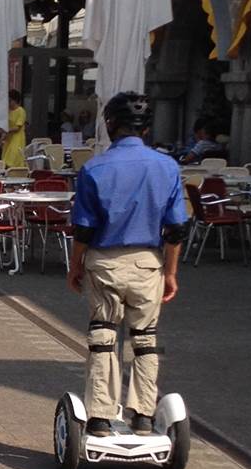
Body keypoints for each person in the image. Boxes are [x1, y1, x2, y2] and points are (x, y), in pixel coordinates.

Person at [65, 91, 187, 437]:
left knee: (103, 337)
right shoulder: (167, 167)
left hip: (104, 261)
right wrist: (171, 272)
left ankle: (101, 416)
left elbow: (84, 229)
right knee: (145, 339)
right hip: (149, 261)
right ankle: (144, 414)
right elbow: (176, 229)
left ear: (110, 125)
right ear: (146, 129)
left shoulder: (94, 168)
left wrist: (75, 266)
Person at [2, 89, 27, 168]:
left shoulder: (21, 111)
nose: (8, 103)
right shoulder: (8, 111)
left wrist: (7, 130)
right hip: (8, 138)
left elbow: (17, 127)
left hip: (17, 138)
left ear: (15, 100)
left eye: (10, 100)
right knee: (5, 159)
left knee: (13, 158)